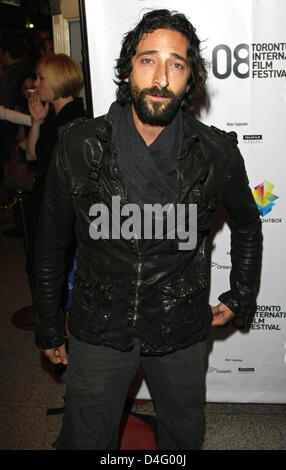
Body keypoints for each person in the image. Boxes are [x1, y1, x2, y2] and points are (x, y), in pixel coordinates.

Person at [33, 10, 262, 450]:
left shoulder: (216, 153)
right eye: (147, 60)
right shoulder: (79, 146)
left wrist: (240, 294)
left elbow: (249, 224)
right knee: (84, 440)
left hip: (179, 328)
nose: (161, 77)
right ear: (127, 68)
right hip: (99, 324)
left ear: (189, 78)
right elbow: (50, 245)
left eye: (176, 65)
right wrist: (48, 326)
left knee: (183, 438)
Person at [25, 53, 85, 281]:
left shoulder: (74, 120)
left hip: (58, 209)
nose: (36, 84)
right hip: (45, 200)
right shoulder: (53, 117)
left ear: (58, 80)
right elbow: (31, 156)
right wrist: (36, 122)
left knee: (51, 270)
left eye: (41, 78)